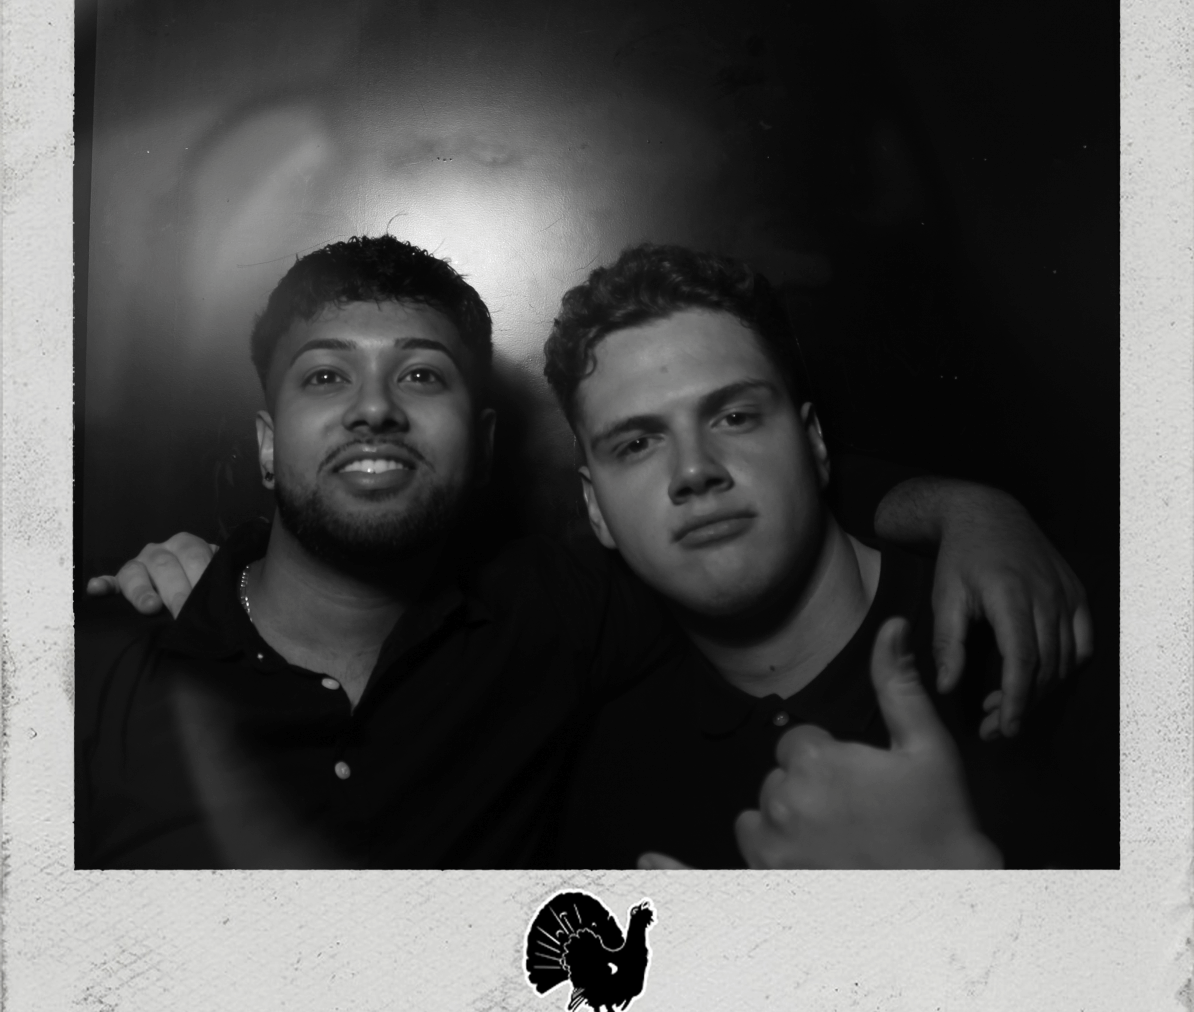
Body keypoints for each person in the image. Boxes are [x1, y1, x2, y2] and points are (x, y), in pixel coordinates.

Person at [80, 236, 1091, 869]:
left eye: (421, 375)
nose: (375, 407)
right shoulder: (102, 671)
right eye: (325, 377)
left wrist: (970, 508)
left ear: (483, 444)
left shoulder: (555, 631)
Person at [537, 244, 1099, 868]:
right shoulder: (609, 794)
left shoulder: (1042, 624)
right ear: (595, 509)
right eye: (637, 444)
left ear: (815, 444)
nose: (694, 470)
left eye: (734, 416)